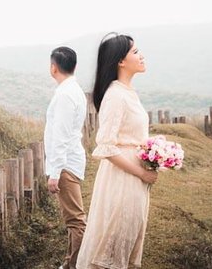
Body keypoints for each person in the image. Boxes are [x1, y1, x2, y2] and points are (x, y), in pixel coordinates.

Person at [75, 33, 158, 269]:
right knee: (116, 238)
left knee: (129, 235)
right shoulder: (115, 95)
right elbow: (107, 146)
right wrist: (141, 173)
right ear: (120, 61)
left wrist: (154, 151)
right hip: (123, 178)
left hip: (134, 176)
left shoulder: (127, 92)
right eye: (135, 52)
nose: (141, 55)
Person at [44, 46, 88, 269]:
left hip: (66, 164)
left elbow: (60, 136)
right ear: (74, 66)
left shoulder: (64, 95)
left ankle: (78, 264)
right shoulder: (74, 90)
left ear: (53, 68)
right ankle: (70, 263)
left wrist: (55, 172)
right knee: (73, 219)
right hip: (71, 160)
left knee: (75, 220)